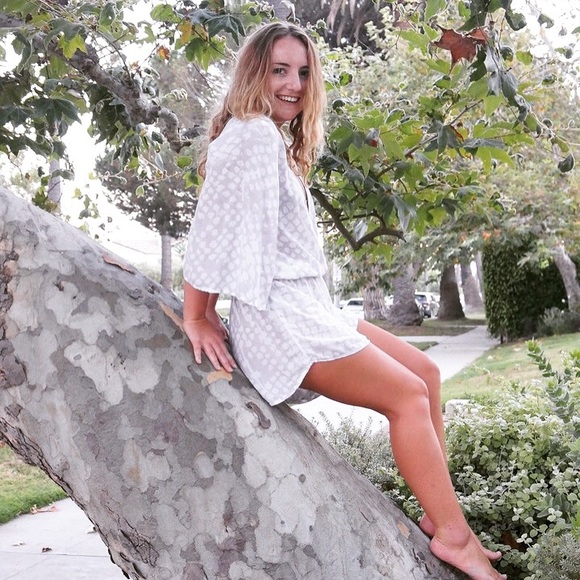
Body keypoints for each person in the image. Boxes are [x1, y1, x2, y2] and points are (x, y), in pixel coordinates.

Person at [182, 21, 506, 580]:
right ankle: (456, 538)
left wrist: (208, 309)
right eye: (279, 70)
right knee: (407, 396)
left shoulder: (267, 138)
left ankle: (440, 515)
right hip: (283, 320)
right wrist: (197, 314)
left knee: (426, 373)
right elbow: (214, 226)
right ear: (254, 73)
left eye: (303, 73)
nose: (293, 84)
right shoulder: (253, 134)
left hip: (309, 309)